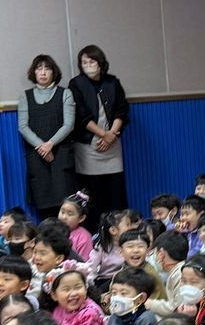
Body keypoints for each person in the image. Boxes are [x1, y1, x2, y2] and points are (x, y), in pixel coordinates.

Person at [69, 44, 130, 218]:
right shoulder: (76, 84)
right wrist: (104, 134)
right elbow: (81, 116)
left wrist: (112, 135)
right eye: (84, 62)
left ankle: (117, 225)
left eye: (92, 61)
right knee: (92, 192)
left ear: (100, 62)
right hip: (88, 144)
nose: (88, 65)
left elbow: (121, 110)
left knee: (115, 191)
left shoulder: (112, 82)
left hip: (113, 143)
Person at [17, 53, 75, 217]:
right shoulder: (25, 96)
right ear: (34, 72)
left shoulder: (65, 93)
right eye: (39, 68)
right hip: (37, 156)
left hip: (61, 154)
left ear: (53, 72)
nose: (43, 72)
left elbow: (68, 125)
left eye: (47, 69)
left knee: (65, 203)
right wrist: (42, 148)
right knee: (43, 203)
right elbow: (23, 127)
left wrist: (50, 144)